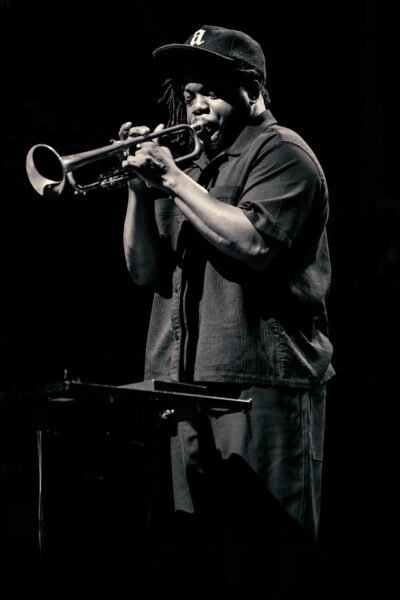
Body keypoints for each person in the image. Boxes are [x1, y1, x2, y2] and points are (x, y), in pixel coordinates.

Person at [120, 24, 335, 599]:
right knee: (192, 570)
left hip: (257, 389)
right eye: (189, 94)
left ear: (253, 93)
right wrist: (140, 189)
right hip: (180, 390)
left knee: (266, 566)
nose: (195, 107)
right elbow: (143, 270)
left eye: (211, 93)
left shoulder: (282, 153)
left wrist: (172, 178)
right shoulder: (193, 170)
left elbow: (254, 242)